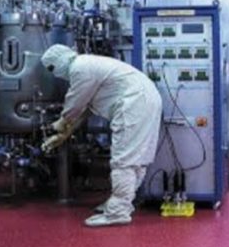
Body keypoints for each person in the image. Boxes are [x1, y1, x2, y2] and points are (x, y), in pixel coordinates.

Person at [40, 44, 162, 227]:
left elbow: (75, 102)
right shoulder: (89, 65)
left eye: (51, 68)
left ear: (59, 60)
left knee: (124, 160)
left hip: (134, 104)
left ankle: (118, 212)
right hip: (146, 101)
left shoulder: (80, 67)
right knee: (136, 160)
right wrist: (65, 134)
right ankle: (121, 204)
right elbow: (85, 111)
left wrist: (62, 121)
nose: (54, 73)